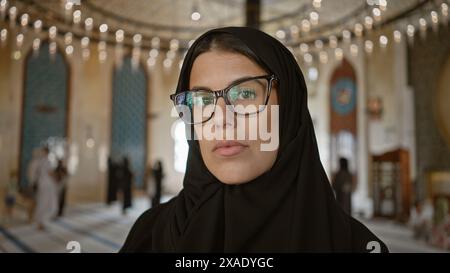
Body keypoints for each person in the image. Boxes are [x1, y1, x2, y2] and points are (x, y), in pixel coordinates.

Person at [120, 27, 387, 252]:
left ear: (288, 110)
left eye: (245, 95)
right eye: (201, 100)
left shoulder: (356, 246)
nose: (221, 119)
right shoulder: (150, 235)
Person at [32, 146, 58, 230]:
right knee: (46, 203)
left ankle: (40, 222)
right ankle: (42, 222)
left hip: (41, 184)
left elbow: (35, 174)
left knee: (41, 202)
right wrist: (56, 179)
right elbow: (50, 173)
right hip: (47, 184)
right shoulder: (47, 161)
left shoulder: (38, 161)